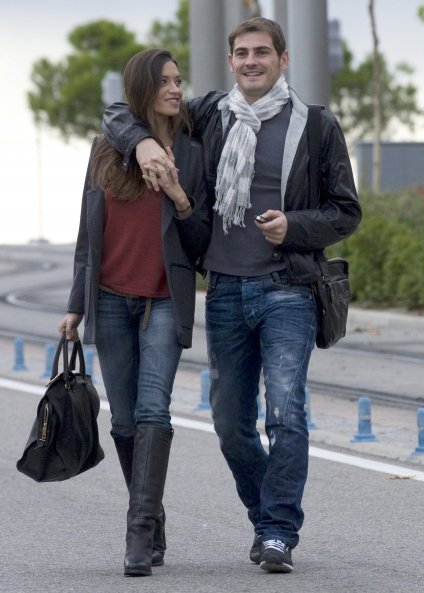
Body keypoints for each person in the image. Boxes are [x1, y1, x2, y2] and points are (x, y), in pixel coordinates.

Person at [102, 17, 361, 573]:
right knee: (231, 425)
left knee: (286, 413)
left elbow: (346, 211)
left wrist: (294, 225)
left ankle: (276, 533)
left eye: (262, 52)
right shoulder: (211, 115)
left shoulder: (315, 126)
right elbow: (124, 112)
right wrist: (145, 142)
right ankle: (265, 513)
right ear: (231, 61)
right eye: (241, 53)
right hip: (223, 292)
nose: (251, 61)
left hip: (287, 288)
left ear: (283, 60)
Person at [59, 48, 211, 577]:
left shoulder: (192, 152)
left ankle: (138, 533)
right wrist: (75, 306)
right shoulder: (107, 148)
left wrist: (179, 195)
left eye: (178, 80)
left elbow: (202, 244)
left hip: (166, 299)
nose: (176, 89)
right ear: (142, 89)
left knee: (153, 413)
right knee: (123, 421)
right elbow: (87, 234)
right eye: (165, 81)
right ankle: (155, 517)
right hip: (109, 298)